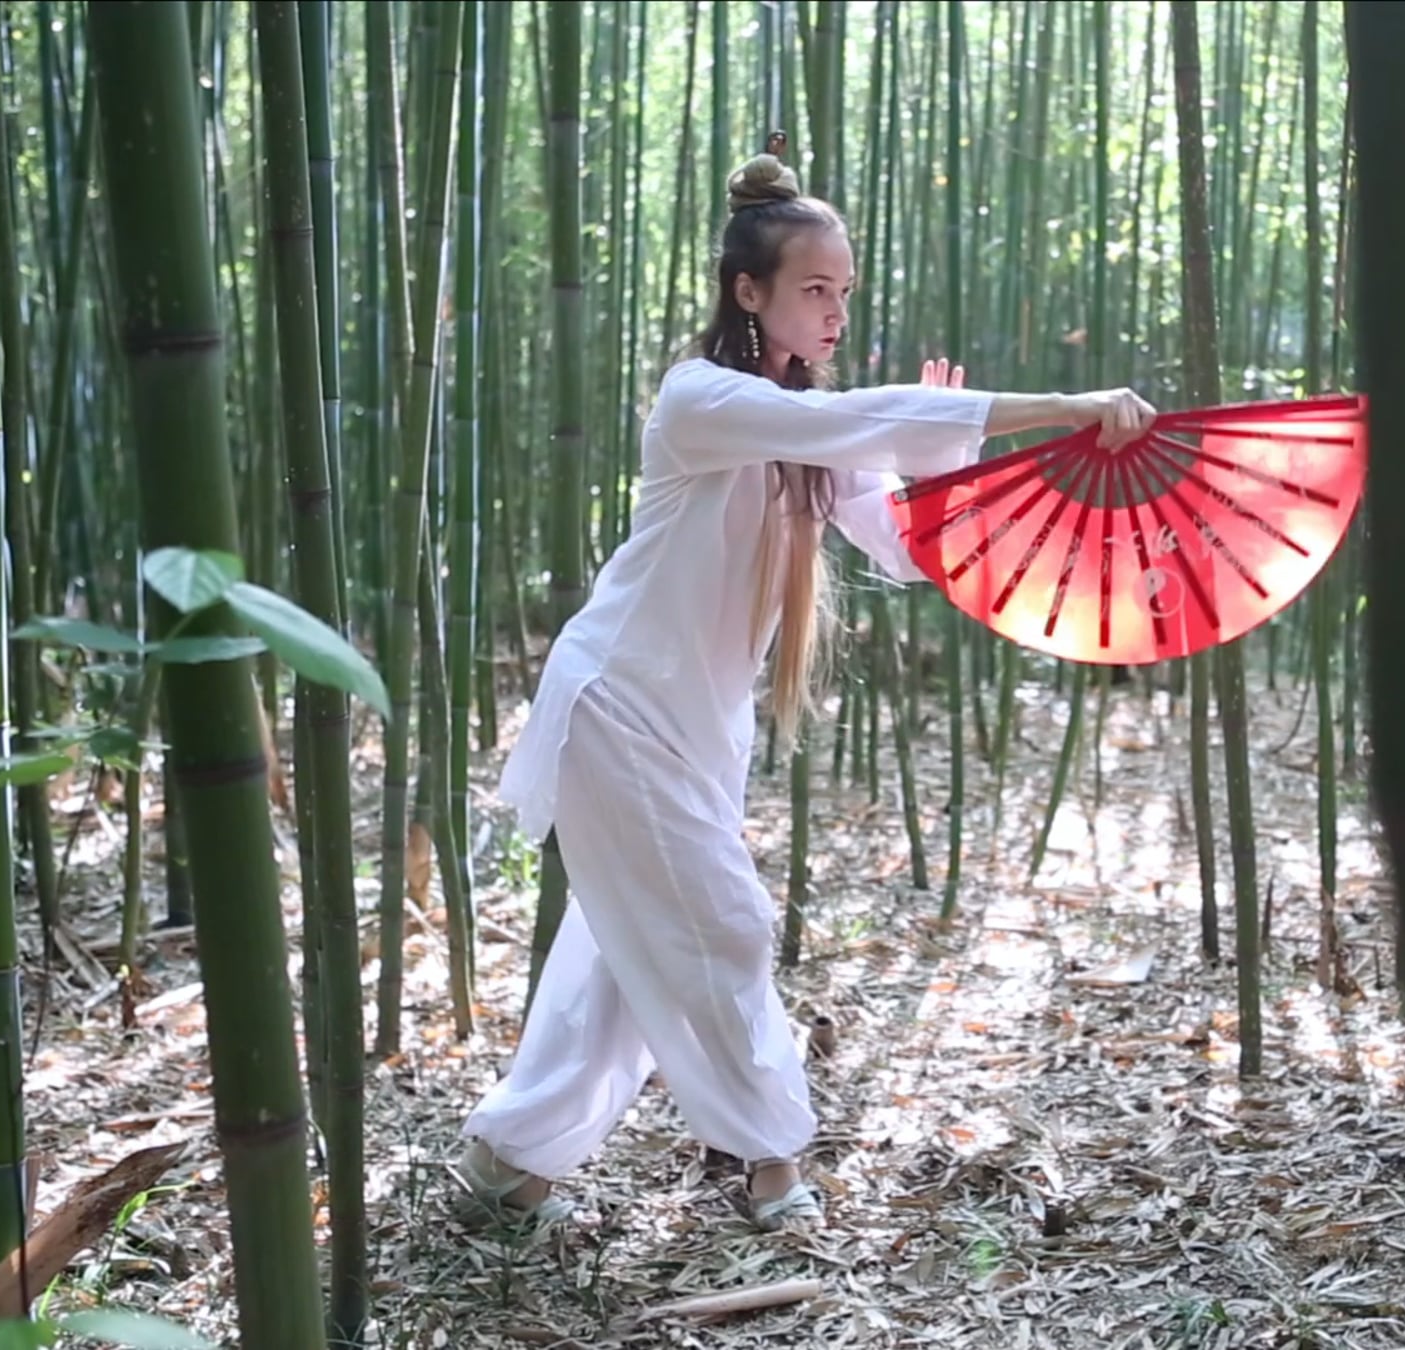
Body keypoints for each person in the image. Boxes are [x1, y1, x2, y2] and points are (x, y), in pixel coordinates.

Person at [449, 146, 1156, 1234]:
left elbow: (904, 546)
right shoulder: (701, 399)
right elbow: (860, 419)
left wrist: (942, 461)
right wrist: (1062, 404)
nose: (834, 313)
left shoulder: (813, 425)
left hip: (697, 728)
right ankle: (772, 1162)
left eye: (844, 292)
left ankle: (506, 1165)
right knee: (724, 928)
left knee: (621, 956)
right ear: (750, 292)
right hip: (618, 707)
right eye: (815, 290)